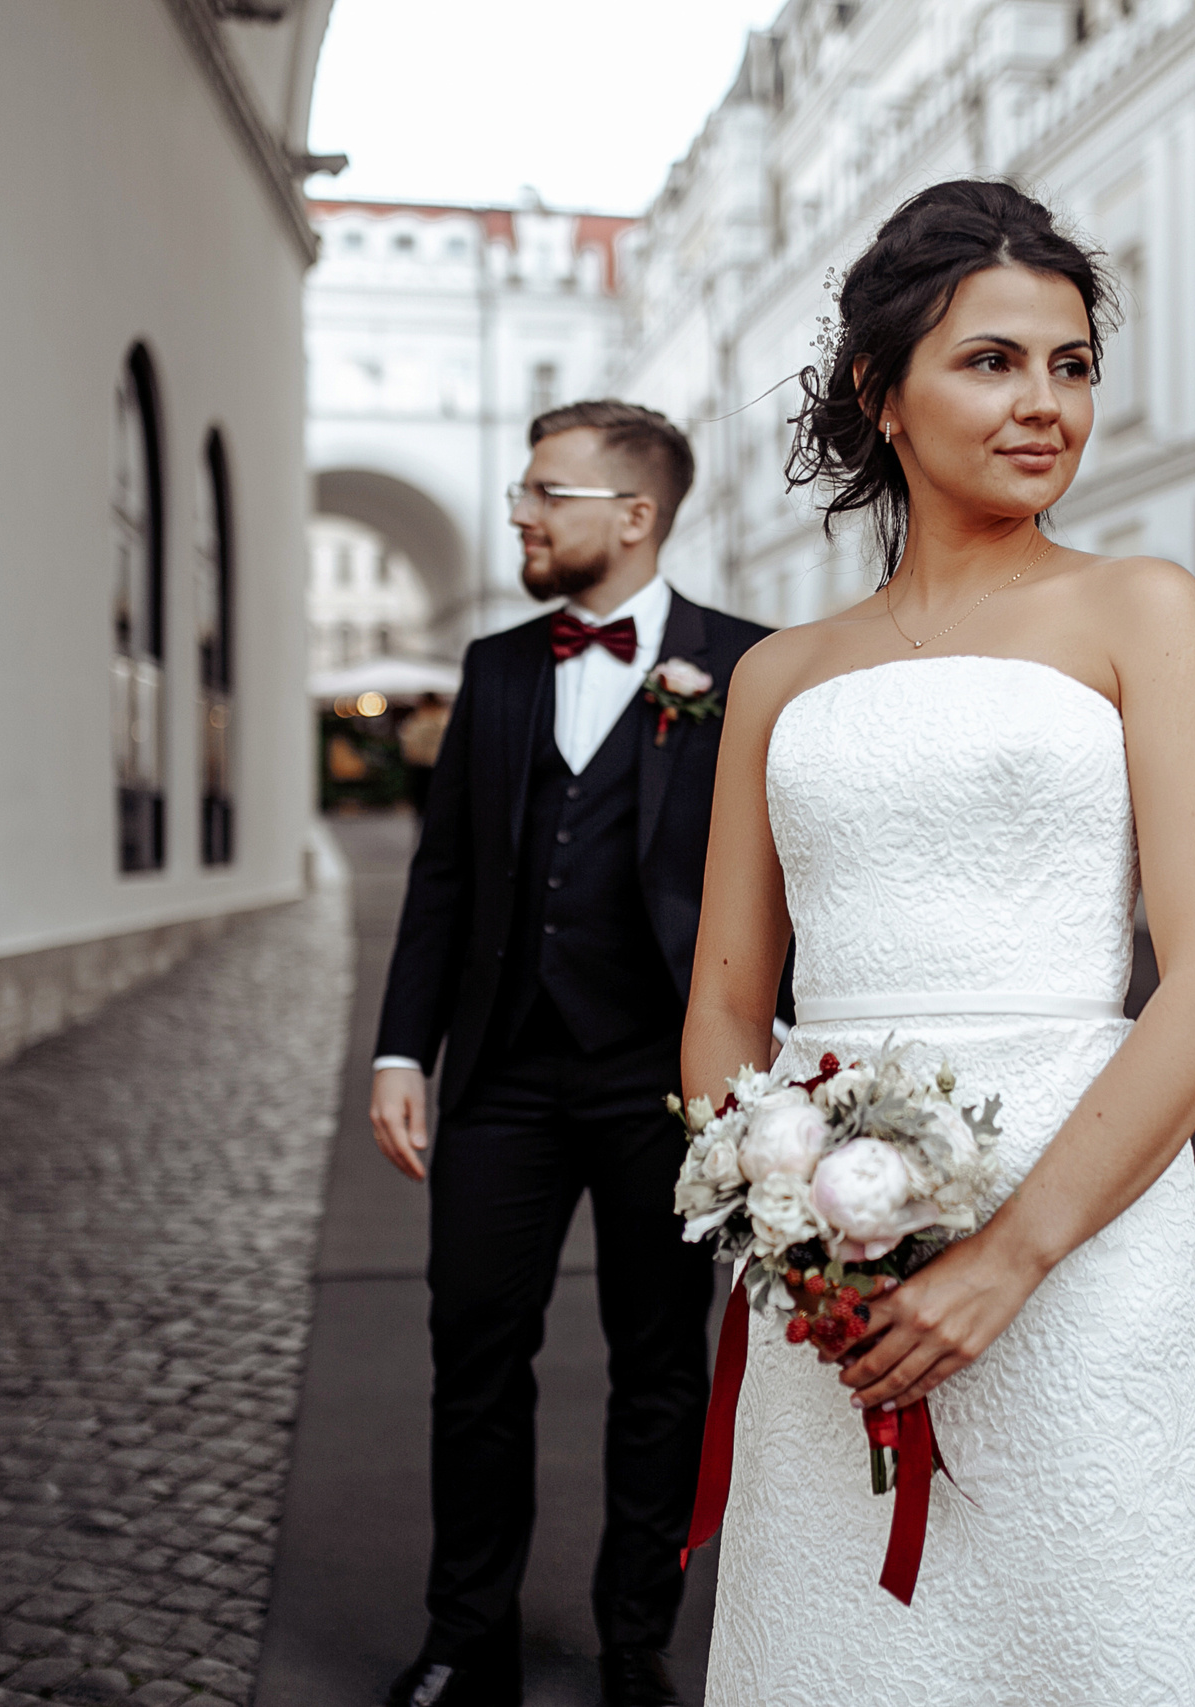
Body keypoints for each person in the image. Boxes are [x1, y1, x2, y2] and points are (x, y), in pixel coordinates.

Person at [681, 181, 1195, 1702]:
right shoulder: (779, 675)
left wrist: (1008, 1257)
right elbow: (729, 1002)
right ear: (883, 392)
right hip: (836, 1264)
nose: (1045, 404)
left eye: (1072, 364)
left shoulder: (1139, 609)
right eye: (994, 360)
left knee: (1103, 1618)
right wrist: (796, 1246)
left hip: (1081, 1228)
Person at [369, 400, 776, 1707]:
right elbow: (441, 878)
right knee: (473, 1351)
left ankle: (633, 1636)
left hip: (671, 1077)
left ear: (635, 514)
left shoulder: (746, 665)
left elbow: (782, 881)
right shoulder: (492, 668)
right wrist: (397, 1049)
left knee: (660, 1361)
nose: (519, 513)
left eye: (547, 490)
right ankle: (464, 1631)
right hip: (501, 1076)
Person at [398, 691, 452, 814]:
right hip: (431, 765)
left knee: (426, 801)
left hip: (425, 765)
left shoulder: (418, 719)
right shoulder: (444, 718)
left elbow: (407, 739)